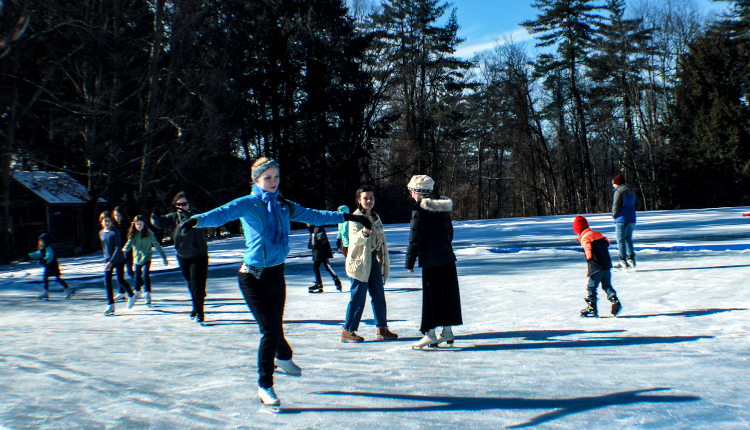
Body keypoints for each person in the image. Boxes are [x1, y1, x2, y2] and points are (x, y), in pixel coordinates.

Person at [177, 157, 371, 409]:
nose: (272, 181)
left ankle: (284, 356)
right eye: (267, 177)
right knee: (269, 330)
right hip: (252, 277)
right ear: (256, 179)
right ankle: (265, 385)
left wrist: (349, 218)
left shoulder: (283, 205)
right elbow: (221, 214)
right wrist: (195, 221)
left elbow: (314, 215)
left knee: (275, 325)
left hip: (276, 275)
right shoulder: (248, 204)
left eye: (276, 177)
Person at [404, 175, 463, 349]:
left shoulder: (419, 210)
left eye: (411, 190)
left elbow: (415, 239)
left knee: (431, 298)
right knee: (447, 295)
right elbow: (449, 234)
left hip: (431, 261)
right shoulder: (442, 208)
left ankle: (430, 334)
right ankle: (447, 331)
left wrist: (410, 261)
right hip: (447, 258)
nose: (411, 194)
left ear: (418, 191)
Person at [341, 185, 398, 343]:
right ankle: (348, 330)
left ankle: (382, 329)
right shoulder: (355, 217)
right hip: (359, 262)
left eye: (371, 197)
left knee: (379, 295)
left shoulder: (375, 216)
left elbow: (380, 237)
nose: (369, 200)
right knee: (358, 297)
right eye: (365, 198)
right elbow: (354, 239)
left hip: (373, 259)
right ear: (359, 200)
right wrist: (364, 233)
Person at [151, 191, 209, 323]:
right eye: (178, 204)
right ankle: (196, 306)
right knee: (191, 284)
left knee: (197, 285)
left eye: (184, 204)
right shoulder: (172, 218)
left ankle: (200, 312)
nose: (181, 206)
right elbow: (158, 223)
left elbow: (207, 219)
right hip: (183, 256)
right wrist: (154, 215)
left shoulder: (196, 216)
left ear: (189, 204)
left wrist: (188, 216)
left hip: (199, 256)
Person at [573, 215, 622, 318]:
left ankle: (592, 308)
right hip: (606, 265)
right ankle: (614, 299)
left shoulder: (585, 237)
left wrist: (589, 257)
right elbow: (607, 241)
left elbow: (587, 248)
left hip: (596, 266)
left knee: (591, 287)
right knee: (607, 285)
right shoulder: (597, 233)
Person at [122, 215, 169, 307]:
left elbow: (157, 245)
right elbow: (128, 244)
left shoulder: (149, 233)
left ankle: (147, 294)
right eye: (137, 224)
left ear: (144, 224)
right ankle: (137, 292)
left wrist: (164, 257)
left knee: (145, 275)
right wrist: (123, 251)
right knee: (137, 276)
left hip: (147, 257)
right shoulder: (134, 234)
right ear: (134, 225)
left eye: (140, 224)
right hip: (137, 259)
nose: (139, 226)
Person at [99, 211, 137, 316]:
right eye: (105, 221)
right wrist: (106, 259)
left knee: (120, 281)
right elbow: (104, 247)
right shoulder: (101, 233)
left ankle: (131, 294)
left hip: (118, 260)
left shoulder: (115, 232)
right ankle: (111, 304)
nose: (107, 223)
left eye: (109, 221)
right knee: (107, 281)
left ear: (112, 222)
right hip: (108, 260)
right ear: (101, 222)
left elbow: (118, 248)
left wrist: (111, 261)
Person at [25, 233, 74, 300]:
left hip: (52, 266)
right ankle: (48, 292)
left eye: (41, 241)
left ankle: (67, 290)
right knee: (47, 278)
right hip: (49, 266)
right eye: (40, 241)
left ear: (46, 241)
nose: (40, 242)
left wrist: (45, 260)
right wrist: (28, 256)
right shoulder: (43, 249)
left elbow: (49, 256)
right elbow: (37, 254)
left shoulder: (48, 248)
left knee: (55, 278)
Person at [611, 174, 641, 272]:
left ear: (618, 183)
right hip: (631, 218)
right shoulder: (631, 191)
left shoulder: (618, 191)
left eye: (614, 183)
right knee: (628, 239)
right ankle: (631, 259)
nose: (613, 185)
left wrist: (614, 215)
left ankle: (622, 260)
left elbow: (615, 205)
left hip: (621, 219)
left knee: (621, 240)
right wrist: (630, 209)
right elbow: (638, 205)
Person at [307, 224, 343, 293]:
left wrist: (317, 245)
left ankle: (322, 283)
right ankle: (322, 283)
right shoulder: (313, 229)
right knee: (320, 267)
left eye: (308, 223)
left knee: (322, 266)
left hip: (321, 251)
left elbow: (322, 238)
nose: (307, 224)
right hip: (317, 252)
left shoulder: (318, 228)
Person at [113, 206, 135, 281]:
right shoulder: (114, 226)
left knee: (130, 272)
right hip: (118, 253)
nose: (117, 217)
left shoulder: (127, 225)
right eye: (115, 215)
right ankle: (121, 291)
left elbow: (130, 238)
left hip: (127, 251)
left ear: (122, 215)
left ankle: (140, 285)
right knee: (120, 273)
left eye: (118, 215)